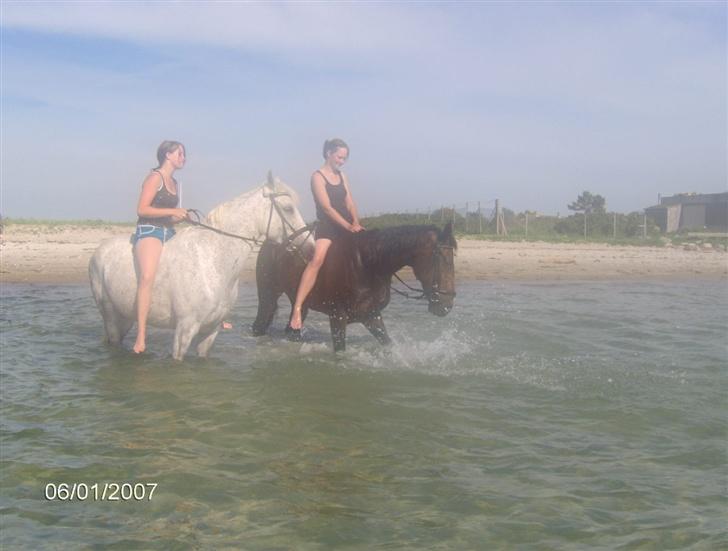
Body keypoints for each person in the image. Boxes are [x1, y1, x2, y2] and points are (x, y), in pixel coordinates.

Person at [289, 138, 364, 331]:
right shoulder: (317, 177)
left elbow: (350, 202)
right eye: (340, 156)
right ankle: (298, 307)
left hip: (349, 224)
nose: (342, 161)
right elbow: (327, 208)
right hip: (328, 228)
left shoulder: (343, 176)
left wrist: (356, 222)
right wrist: (348, 226)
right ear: (329, 154)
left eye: (345, 158)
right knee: (317, 260)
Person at [132, 141, 189, 353]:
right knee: (147, 277)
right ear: (168, 155)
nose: (184, 157)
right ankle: (140, 336)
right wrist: (172, 212)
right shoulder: (155, 177)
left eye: (184, 154)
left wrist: (181, 217)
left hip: (169, 231)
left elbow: (170, 216)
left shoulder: (176, 182)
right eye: (180, 153)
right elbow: (142, 209)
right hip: (150, 230)